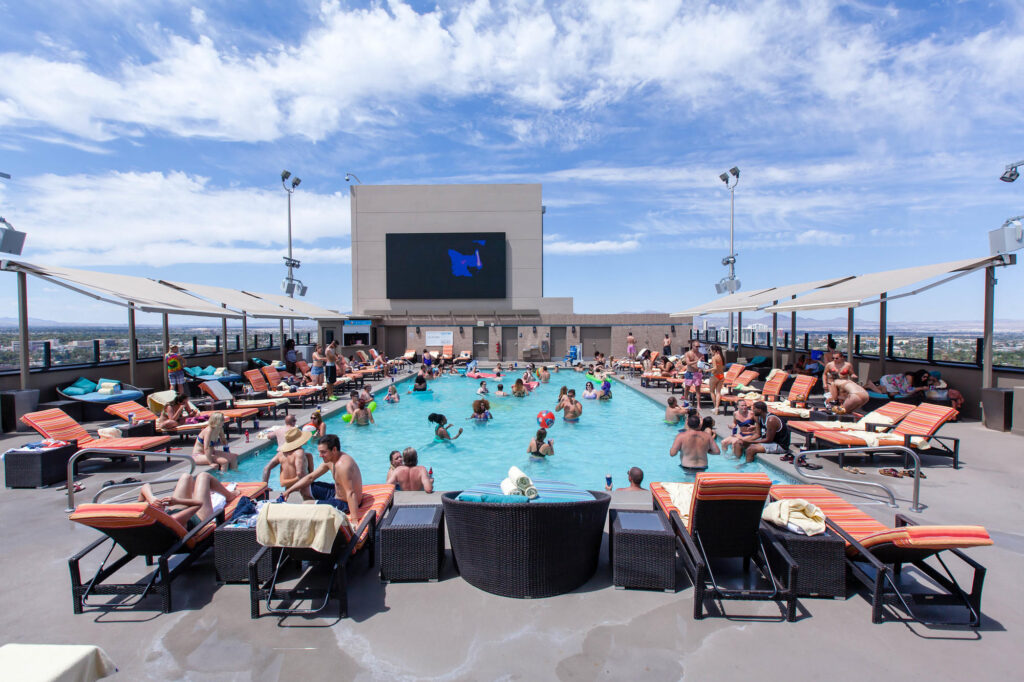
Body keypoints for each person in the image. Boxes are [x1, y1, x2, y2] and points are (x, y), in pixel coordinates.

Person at [282, 434, 364, 524]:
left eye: (323, 452)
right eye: (320, 452)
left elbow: (351, 493)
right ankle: (315, 516)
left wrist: (355, 520)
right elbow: (310, 477)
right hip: (336, 493)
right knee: (305, 488)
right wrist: (289, 491)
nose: (320, 455)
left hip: (346, 503)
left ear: (334, 450)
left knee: (306, 505)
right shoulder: (331, 460)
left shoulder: (342, 465)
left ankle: (314, 516)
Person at [138, 471, 239, 527]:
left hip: (174, 511)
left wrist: (151, 498)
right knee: (203, 476)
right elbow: (197, 504)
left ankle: (203, 490)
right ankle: (229, 496)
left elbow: (144, 487)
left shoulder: (141, 517)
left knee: (186, 476)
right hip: (199, 518)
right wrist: (176, 501)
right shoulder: (173, 520)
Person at [262, 427, 315, 499]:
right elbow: (300, 473)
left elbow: (266, 469)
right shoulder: (299, 453)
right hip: (302, 491)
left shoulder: (281, 454)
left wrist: (264, 487)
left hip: (287, 490)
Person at [682, 340, 704, 411]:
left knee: (698, 390)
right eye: (696, 346)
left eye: (699, 346)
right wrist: (697, 361)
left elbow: (702, 364)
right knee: (686, 389)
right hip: (689, 373)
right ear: (692, 346)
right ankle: (686, 402)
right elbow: (688, 363)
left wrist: (701, 368)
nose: (698, 348)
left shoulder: (700, 355)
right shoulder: (688, 354)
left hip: (697, 373)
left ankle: (698, 405)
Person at [708, 344, 726, 414]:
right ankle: (717, 408)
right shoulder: (721, 357)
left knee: (712, 391)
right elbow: (722, 366)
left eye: (711, 350)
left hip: (715, 375)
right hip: (721, 375)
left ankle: (715, 407)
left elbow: (715, 368)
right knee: (718, 392)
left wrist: (707, 370)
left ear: (714, 350)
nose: (710, 352)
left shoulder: (714, 357)